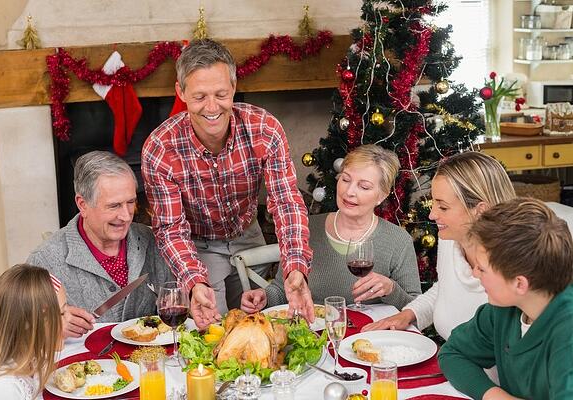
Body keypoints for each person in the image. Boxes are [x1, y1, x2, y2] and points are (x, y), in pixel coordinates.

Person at [141, 38, 313, 329]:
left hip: (248, 233)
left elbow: (286, 202)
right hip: (198, 246)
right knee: (213, 332)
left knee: (258, 326)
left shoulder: (264, 129)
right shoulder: (160, 148)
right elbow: (171, 229)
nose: (212, 107)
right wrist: (195, 281)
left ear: (233, 87)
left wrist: (295, 266)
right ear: (180, 92)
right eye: (199, 97)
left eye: (221, 94)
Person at [241, 144, 421, 312]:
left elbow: (415, 309)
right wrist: (264, 297)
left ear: (382, 195)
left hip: (369, 340)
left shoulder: (397, 240)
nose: (349, 192)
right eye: (346, 179)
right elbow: (282, 289)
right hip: (314, 335)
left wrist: (391, 289)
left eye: (364, 186)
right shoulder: (304, 228)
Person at [363, 151, 516, 339]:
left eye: (443, 207)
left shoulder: (512, 266)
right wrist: (409, 314)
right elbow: (445, 289)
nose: (432, 215)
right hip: (449, 358)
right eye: (433, 203)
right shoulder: (449, 240)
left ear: (480, 210)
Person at [438, 198, 573, 399]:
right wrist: (496, 396)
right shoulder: (505, 308)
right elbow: (453, 353)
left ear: (520, 284)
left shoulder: (566, 334)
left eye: (482, 268)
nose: (475, 273)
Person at [28, 150, 172, 337]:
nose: (126, 216)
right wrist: (52, 327)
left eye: (130, 202)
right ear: (83, 204)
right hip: (81, 364)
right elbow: (22, 335)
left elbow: (173, 302)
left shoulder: (150, 240)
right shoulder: (44, 260)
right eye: (114, 206)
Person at [0, 264, 66, 400]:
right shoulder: (3, 388)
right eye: (63, 313)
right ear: (36, 323)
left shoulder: (32, 358)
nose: (67, 320)